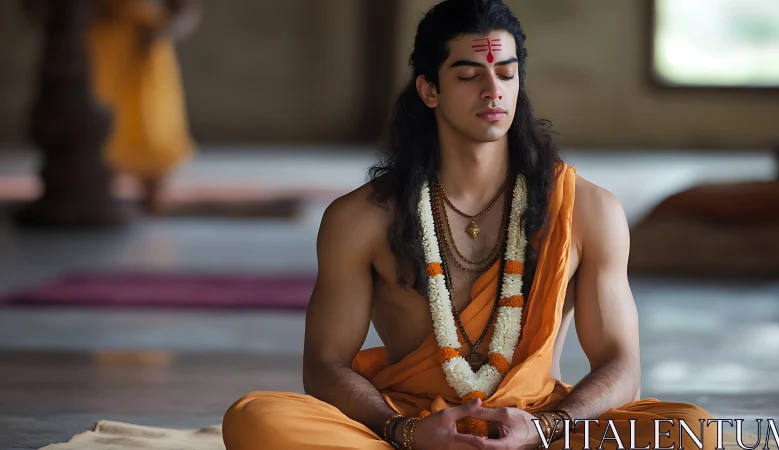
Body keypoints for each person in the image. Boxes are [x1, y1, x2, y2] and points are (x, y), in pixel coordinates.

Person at [223, 1, 717, 449]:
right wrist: (406, 431)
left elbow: (620, 365)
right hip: (409, 430)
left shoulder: (588, 209)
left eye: (506, 73)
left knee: (693, 430)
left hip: (538, 426)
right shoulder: (362, 218)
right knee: (257, 419)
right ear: (429, 89)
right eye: (468, 76)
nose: (492, 91)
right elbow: (325, 364)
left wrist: (545, 427)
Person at [88, 0, 200, 212]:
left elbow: (184, 10)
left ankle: (152, 197)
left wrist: (162, 30)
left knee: (150, 122)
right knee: (105, 123)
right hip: (104, 46)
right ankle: (101, 195)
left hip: (145, 49)